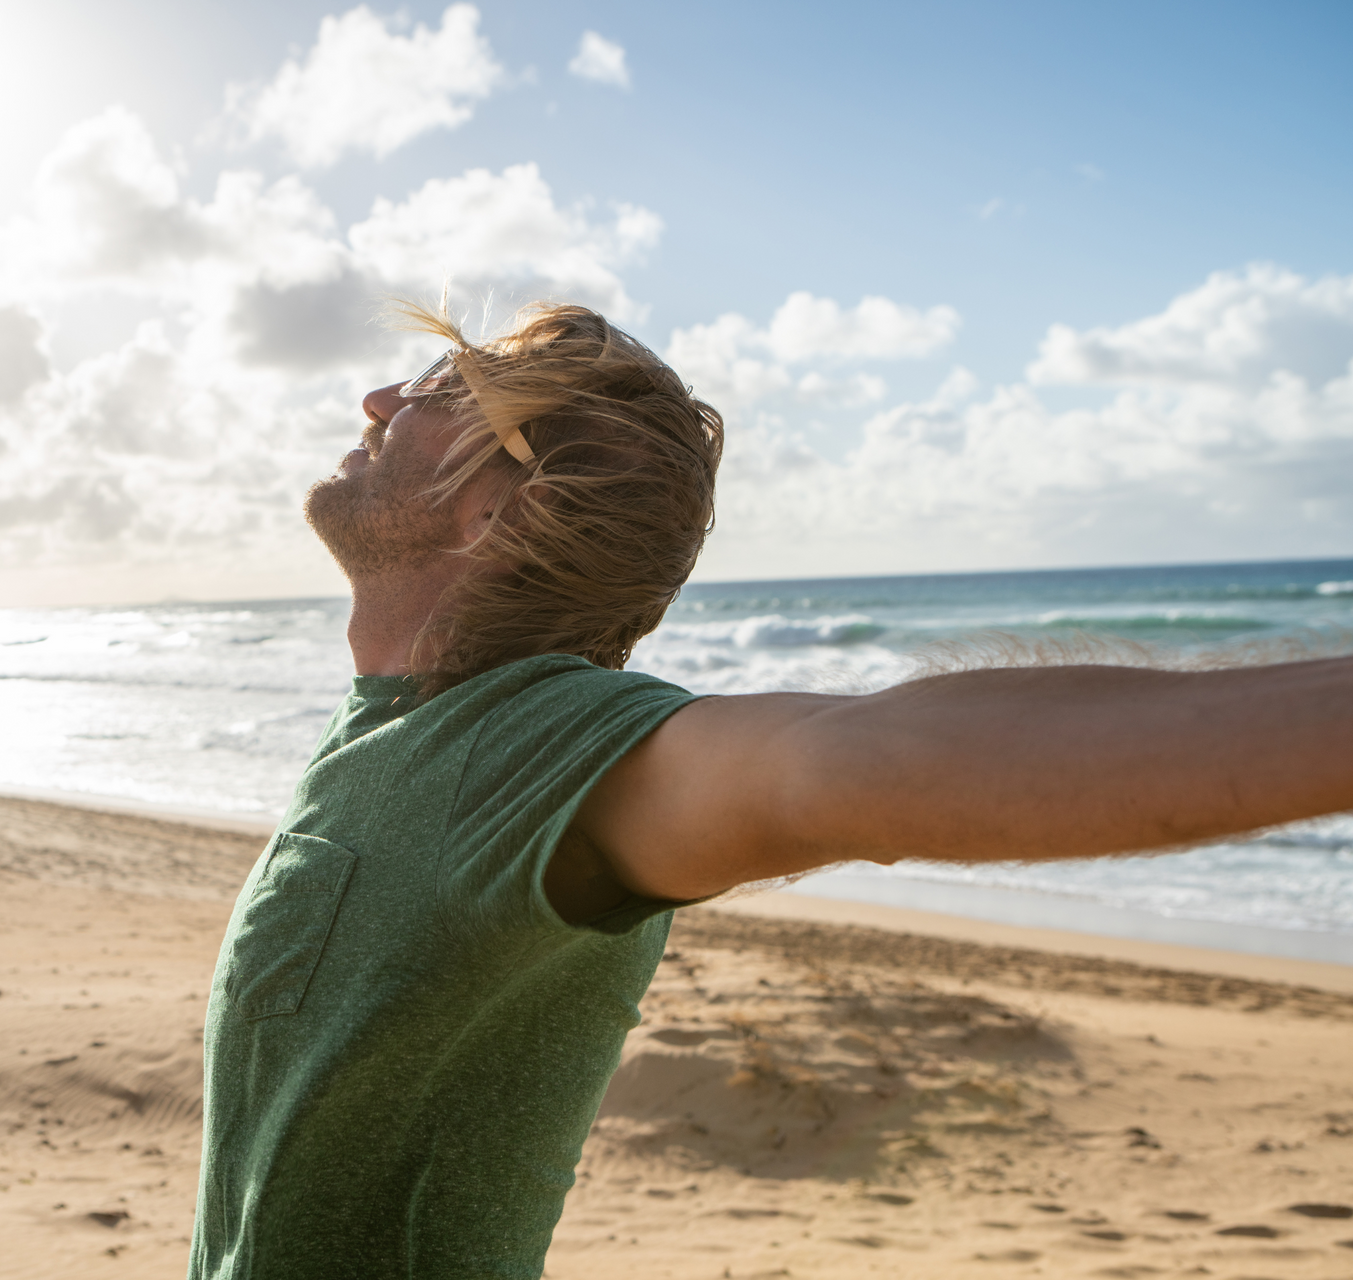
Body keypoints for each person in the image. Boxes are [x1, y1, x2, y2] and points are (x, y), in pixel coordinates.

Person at [186, 301, 1353, 1279]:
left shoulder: (532, 748)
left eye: (442, 386)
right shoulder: (403, 726)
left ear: (503, 505)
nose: (380, 400)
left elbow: (852, 759)